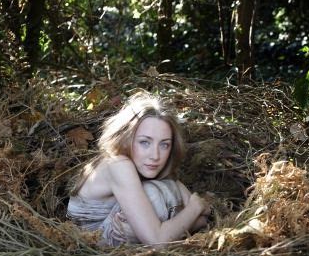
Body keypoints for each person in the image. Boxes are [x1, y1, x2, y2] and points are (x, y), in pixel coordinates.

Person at [67, 91, 211, 246]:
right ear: (125, 137)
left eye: (164, 144)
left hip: (118, 235)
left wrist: (191, 217)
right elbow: (157, 241)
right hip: (91, 241)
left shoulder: (142, 167)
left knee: (164, 186)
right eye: (145, 142)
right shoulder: (118, 165)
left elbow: (205, 215)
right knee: (152, 194)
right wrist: (193, 209)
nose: (155, 155)